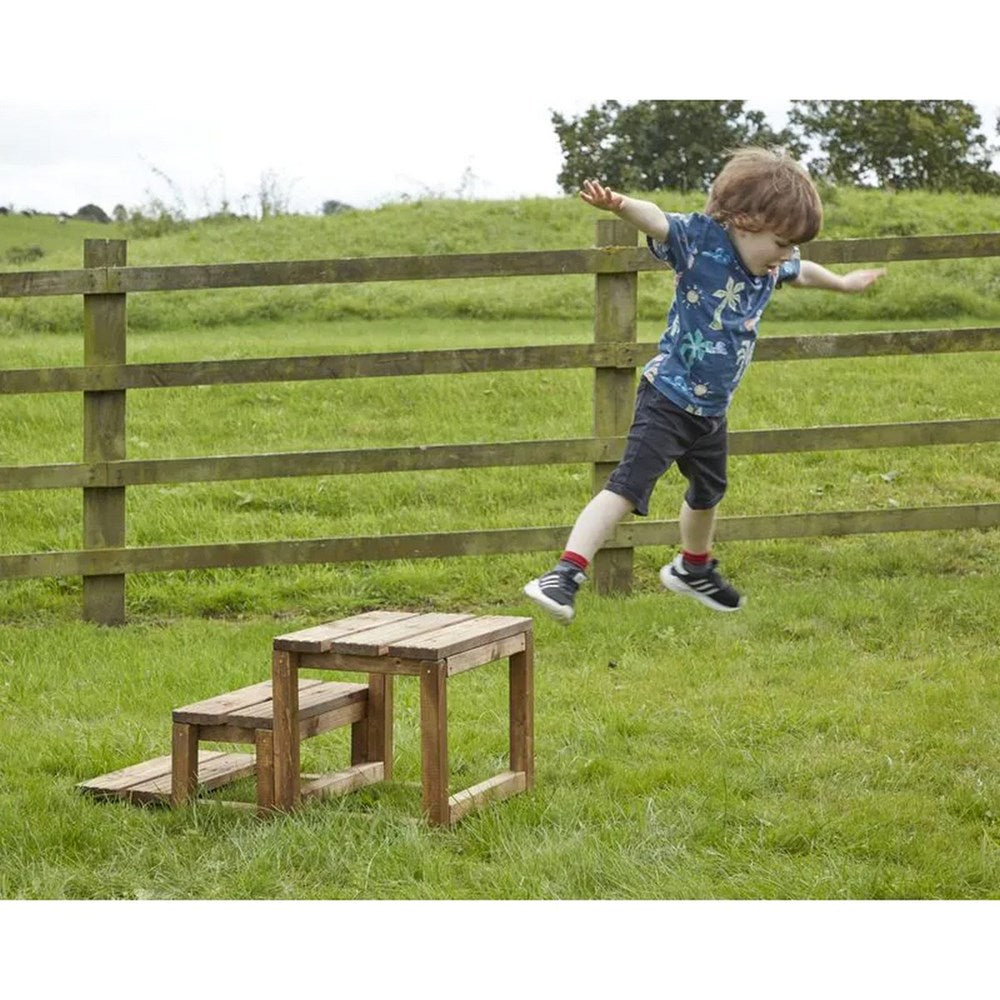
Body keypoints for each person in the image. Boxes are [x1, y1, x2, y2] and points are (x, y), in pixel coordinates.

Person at [524, 147, 886, 622]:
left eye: (793, 246)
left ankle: (693, 568)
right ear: (743, 219)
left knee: (709, 491)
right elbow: (658, 221)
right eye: (781, 243)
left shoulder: (771, 267)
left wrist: (843, 283)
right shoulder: (701, 242)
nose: (787, 256)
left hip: (711, 410)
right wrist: (620, 205)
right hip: (668, 399)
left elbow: (804, 272)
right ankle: (564, 573)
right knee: (628, 487)